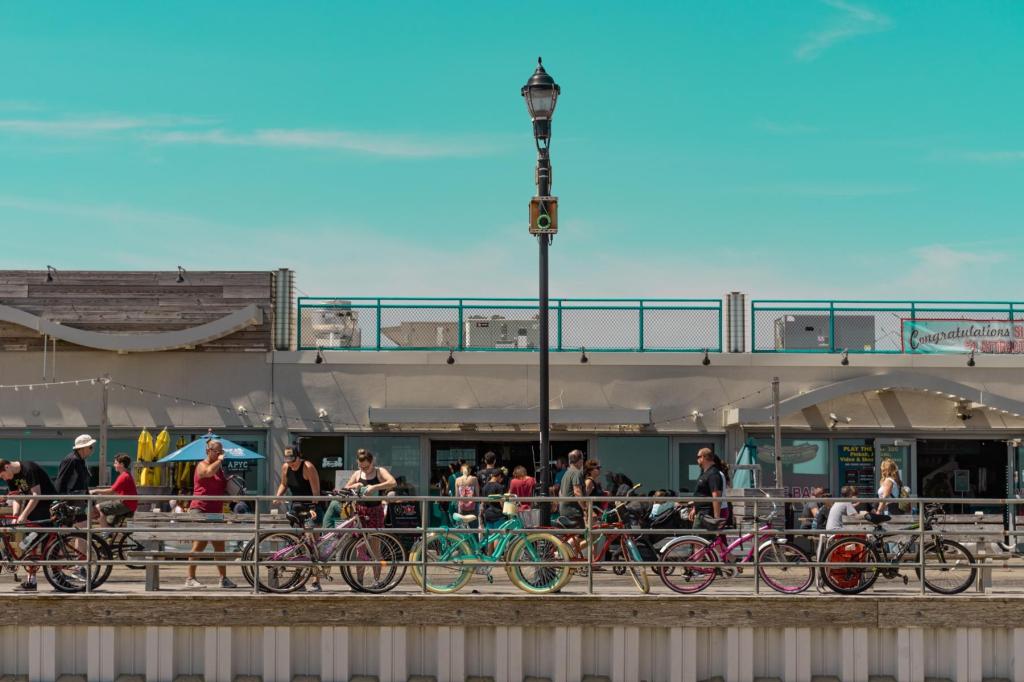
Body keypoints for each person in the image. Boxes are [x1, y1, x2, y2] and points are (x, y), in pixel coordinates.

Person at [185, 439, 236, 589]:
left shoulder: (219, 469)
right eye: (217, 451)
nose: (220, 454)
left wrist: (231, 487)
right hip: (200, 508)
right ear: (208, 451)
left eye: (221, 451)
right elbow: (207, 473)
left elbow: (219, 488)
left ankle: (223, 578)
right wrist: (219, 461)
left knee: (220, 545)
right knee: (199, 544)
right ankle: (190, 578)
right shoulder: (202, 465)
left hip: (215, 510)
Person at [0, 458, 58, 591]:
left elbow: (36, 495)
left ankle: (57, 576)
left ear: (7, 467)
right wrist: (16, 516)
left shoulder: (28, 469)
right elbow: (16, 497)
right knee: (29, 542)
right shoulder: (11, 477)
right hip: (33, 507)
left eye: (2, 476)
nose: (4, 479)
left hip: (46, 505)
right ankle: (31, 580)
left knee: (48, 543)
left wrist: (23, 515)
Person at [344, 449, 396, 528]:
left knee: (375, 536)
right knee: (359, 538)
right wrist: (355, 485)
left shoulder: (379, 471)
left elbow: (393, 482)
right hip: (360, 509)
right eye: (360, 467)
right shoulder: (357, 473)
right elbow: (345, 488)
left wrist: (375, 487)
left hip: (375, 509)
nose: (364, 469)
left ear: (372, 462)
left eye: (366, 467)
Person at [89, 453, 138, 526]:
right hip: (128, 504)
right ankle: (108, 530)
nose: (114, 465)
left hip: (126, 504)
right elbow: (113, 490)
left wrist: (95, 491)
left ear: (121, 464)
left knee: (98, 507)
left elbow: (111, 491)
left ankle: (105, 533)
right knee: (109, 519)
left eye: (115, 463)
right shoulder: (126, 475)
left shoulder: (124, 476)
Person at [689, 448, 724, 529]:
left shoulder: (713, 474)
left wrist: (716, 519)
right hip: (701, 513)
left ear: (703, 457)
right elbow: (701, 493)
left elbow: (716, 497)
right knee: (698, 540)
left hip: (706, 515)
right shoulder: (705, 472)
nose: (697, 459)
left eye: (698, 457)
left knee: (696, 540)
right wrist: (695, 508)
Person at [556, 450, 585, 528]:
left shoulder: (566, 473)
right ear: (581, 460)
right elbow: (577, 492)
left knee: (577, 537)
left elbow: (560, 492)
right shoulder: (576, 472)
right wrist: (585, 509)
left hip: (564, 512)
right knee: (583, 536)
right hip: (573, 512)